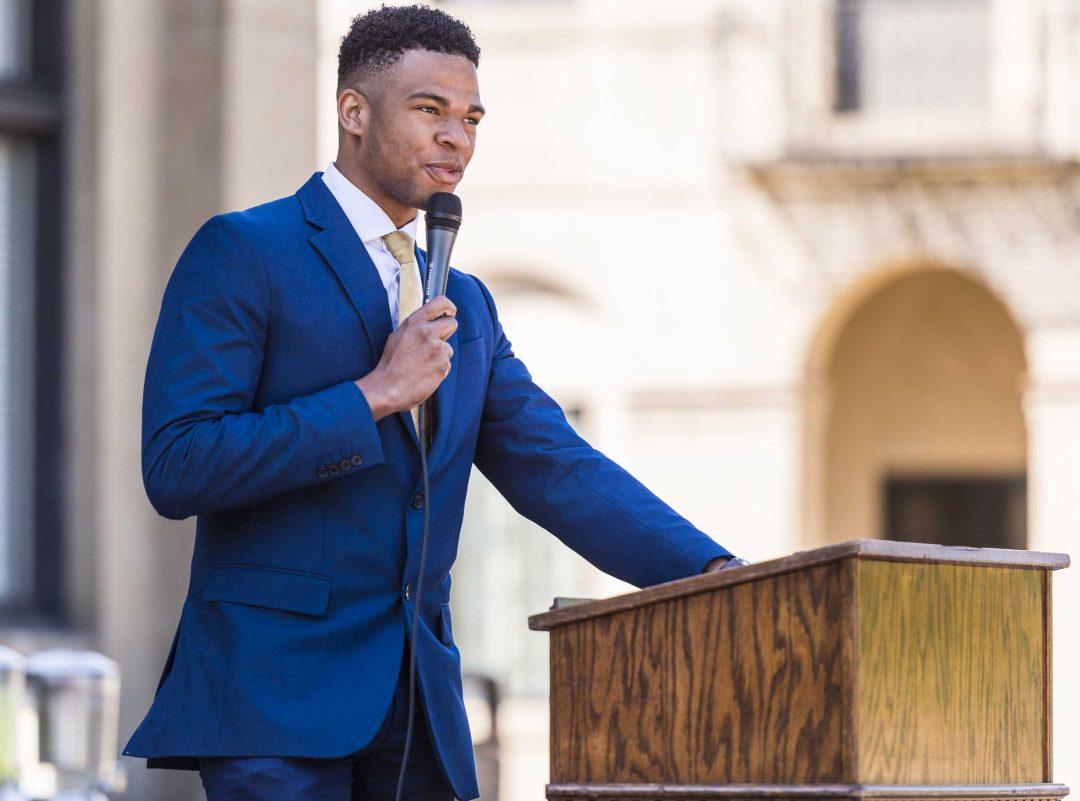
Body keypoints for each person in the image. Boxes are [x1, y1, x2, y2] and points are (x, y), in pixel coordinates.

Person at [121, 4, 746, 800]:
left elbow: (558, 468)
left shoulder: (467, 303)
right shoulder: (246, 251)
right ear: (353, 112)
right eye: (430, 110)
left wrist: (709, 569)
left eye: (471, 118)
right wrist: (374, 395)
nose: (457, 138)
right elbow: (179, 462)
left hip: (420, 703)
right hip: (274, 702)